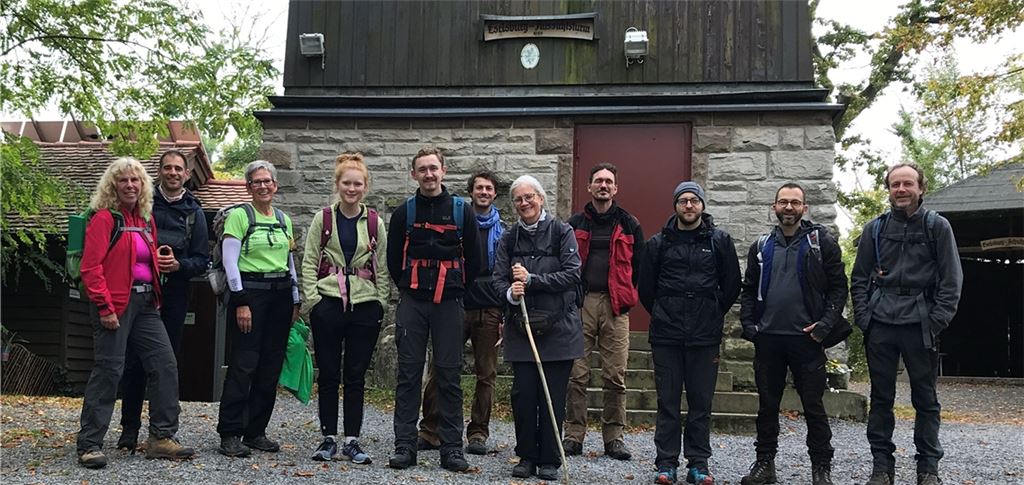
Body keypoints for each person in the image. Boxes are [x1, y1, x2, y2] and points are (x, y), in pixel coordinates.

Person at [76, 157, 195, 469]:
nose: (130, 185)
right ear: (113, 186)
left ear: (143, 186)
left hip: (146, 305)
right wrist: (105, 307)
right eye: (123, 180)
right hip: (115, 305)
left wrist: (156, 289)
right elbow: (90, 268)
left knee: (165, 365)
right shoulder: (104, 219)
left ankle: (161, 437)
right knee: (109, 371)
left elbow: (146, 261)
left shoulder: (145, 220)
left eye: (135, 180)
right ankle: (89, 444)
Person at [851, 163, 963, 485]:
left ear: (920, 188)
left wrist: (937, 319)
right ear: (888, 189)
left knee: (925, 400)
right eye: (895, 184)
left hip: (921, 324)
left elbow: (952, 280)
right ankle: (882, 468)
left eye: (907, 184)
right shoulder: (874, 229)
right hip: (881, 323)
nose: (901, 190)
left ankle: (928, 468)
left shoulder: (937, 227)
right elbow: (859, 278)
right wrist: (865, 318)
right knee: (881, 398)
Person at [738, 183, 847, 485]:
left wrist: (824, 326)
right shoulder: (762, 245)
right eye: (783, 202)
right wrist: (750, 326)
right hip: (769, 338)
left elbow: (839, 288)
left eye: (795, 202)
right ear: (774, 207)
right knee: (767, 405)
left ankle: (821, 468)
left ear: (804, 208)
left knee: (814, 406)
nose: (789, 207)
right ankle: (764, 465)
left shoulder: (820, 242)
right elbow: (748, 290)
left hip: (807, 339)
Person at [638, 181, 741, 485]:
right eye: (683, 200)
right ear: (675, 206)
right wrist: (664, 311)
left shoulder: (719, 242)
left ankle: (699, 463)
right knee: (667, 402)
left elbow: (732, 284)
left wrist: (711, 311)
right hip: (666, 336)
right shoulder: (658, 244)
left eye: (694, 200)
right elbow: (646, 289)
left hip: (704, 336)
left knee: (700, 403)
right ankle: (666, 463)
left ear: (702, 205)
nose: (688, 205)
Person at [385, 147, 480, 472]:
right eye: (422, 169)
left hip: (450, 303)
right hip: (413, 302)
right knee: (408, 376)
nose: (428, 174)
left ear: (443, 170)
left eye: (433, 168)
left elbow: (476, 260)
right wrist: (411, 290)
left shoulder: (461, 211)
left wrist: (455, 291)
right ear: (414, 174)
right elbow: (393, 261)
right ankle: (404, 446)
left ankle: (452, 449)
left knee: (450, 376)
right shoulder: (404, 213)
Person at [117, 149, 209, 451]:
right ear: (160, 171)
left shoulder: (195, 213)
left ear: (185, 174)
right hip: (139, 291)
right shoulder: (142, 205)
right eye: (167, 168)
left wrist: (179, 266)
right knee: (132, 362)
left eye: (177, 169)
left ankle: (162, 432)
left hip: (175, 294)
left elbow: (202, 260)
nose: (172, 173)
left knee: (165, 363)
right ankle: (129, 428)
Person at [492, 175, 583, 481]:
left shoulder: (562, 232)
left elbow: (572, 274)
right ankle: (527, 455)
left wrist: (533, 281)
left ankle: (549, 459)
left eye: (529, 197)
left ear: (541, 199)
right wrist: (510, 293)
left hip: (559, 328)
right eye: (518, 199)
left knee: (552, 396)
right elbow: (498, 279)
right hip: (523, 327)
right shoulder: (508, 237)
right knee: (524, 395)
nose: (524, 203)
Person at [301, 153, 390, 464]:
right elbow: (310, 261)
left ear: (365, 187)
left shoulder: (376, 222)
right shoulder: (323, 219)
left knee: (355, 375)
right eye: (346, 183)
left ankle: (352, 438)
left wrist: (380, 303)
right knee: (328, 372)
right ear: (337, 185)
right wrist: (313, 301)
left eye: (358, 184)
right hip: (328, 303)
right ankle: (327, 437)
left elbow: (383, 266)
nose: (352, 188)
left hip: (364, 306)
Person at [216, 160, 300, 458]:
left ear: (275, 185)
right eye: (256, 182)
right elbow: (230, 260)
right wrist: (240, 301)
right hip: (251, 293)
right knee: (244, 364)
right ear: (248, 187)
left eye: (268, 181)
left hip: (280, 296)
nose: (263, 186)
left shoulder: (283, 219)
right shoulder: (240, 216)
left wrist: (295, 297)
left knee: (270, 366)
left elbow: (289, 261)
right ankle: (229, 433)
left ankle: (255, 431)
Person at [419, 170, 505, 456]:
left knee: (486, 374)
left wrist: (505, 312)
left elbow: (505, 272)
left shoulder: (503, 231)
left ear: (495, 194)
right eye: (479, 187)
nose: (483, 192)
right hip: (456, 302)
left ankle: (478, 432)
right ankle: (430, 429)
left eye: (489, 188)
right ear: (471, 192)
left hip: (491, 306)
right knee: (442, 367)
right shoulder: (457, 221)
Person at [564, 162, 643, 461]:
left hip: (615, 306)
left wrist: (626, 295)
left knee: (615, 376)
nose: (603, 185)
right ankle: (574, 436)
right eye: (598, 181)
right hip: (581, 305)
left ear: (616, 188)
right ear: (589, 187)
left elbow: (639, 269)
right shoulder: (574, 224)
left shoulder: (630, 224)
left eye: (609, 181)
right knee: (577, 374)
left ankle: (614, 438)